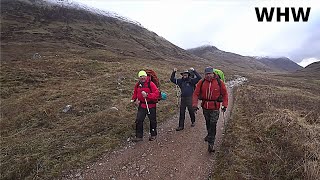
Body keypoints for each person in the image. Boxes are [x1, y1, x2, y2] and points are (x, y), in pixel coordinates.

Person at [192, 66, 228, 152]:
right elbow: (196, 93)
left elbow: (225, 94)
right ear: (205, 74)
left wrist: (225, 105)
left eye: (210, 74)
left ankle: (211, 143)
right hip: (205, 107)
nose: (208, 75)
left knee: (213, 124)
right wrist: (194, 104)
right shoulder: (201, 82)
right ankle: (209, 134)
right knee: (208, 123)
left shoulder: (219, 82)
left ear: (213, 73)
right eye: (207, 74)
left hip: (215, 108)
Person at [131, 70, 160, 142]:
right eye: (140, 76)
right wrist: (134, 99)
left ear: (146, 76)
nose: (142, 78)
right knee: (139, 120)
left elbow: (157, 94)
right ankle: (139, 136)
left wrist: (147, 95)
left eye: (143, 76)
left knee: (152, 120)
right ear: (139, 77)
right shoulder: (138, 84)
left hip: (151, 105)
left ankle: (153, 134)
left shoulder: (151, 84)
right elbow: (135, 92)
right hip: (142, 105)